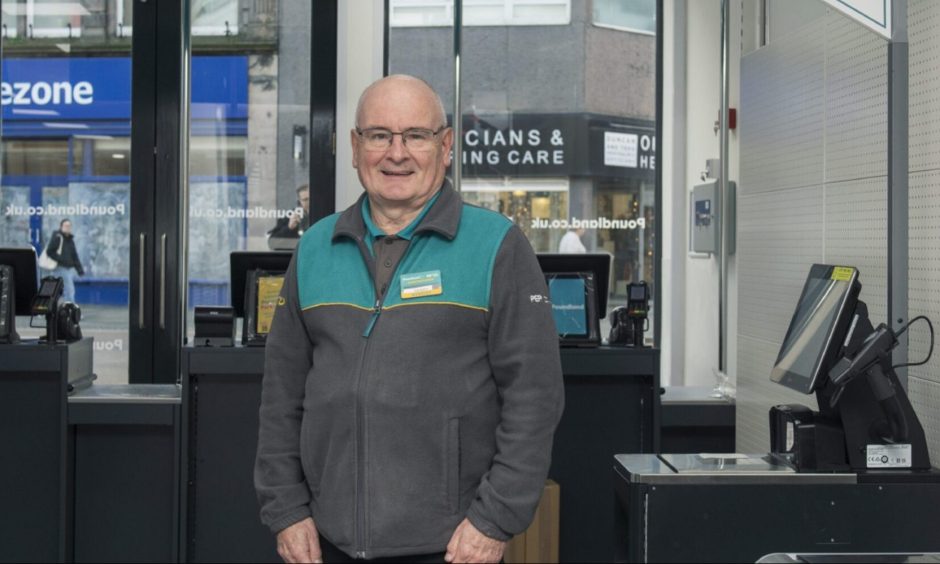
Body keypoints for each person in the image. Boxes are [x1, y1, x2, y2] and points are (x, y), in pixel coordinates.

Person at [255, 75, 565, 564]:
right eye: (379, 135)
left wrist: (494, 520)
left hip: (453, 546)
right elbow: (281, 396)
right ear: (356, 149)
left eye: (415, 136)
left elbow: (534, 397)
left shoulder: (496, 246)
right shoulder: (314, 248)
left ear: (445, 147)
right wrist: (286, 510)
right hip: (325, 541)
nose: (395, 153)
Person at [44, 218, 84, 303]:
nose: (68, 227)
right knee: (69, 290)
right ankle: (70, 311)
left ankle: (50, 308)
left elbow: (74, 256)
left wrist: (79, 270)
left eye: (69, 226)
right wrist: (61, 259)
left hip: (68, 269)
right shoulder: (57, 237)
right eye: (66, 226)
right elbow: (49, 251)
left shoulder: (70, 240)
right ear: (61, 227)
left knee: (57, 291)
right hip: (60, 267)